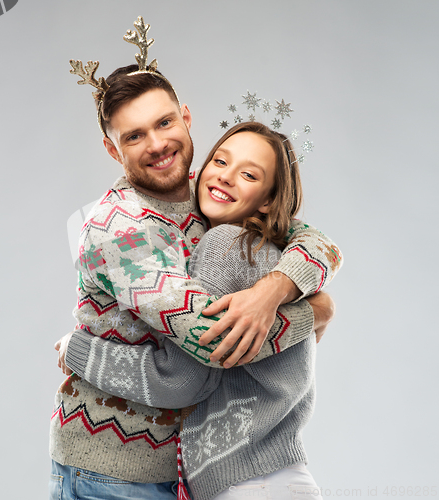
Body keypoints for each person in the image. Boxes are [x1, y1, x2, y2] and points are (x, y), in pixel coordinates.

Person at [50, 16, 342, 500]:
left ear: (186, 117)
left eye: (164, 122)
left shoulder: (209, 193)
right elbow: (211, 346)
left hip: (189, 469)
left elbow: (318, 242)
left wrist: (274, 288)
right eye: (134, 136)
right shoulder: (119, 232)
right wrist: (313, 310)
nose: (159, 144)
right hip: (113, 473)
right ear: (110, 148)